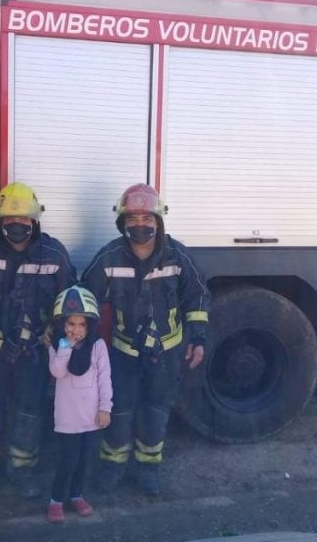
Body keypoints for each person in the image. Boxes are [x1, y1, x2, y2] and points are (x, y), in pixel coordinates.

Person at [82, 183, 209, 496]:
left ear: (159, 222)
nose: (140, 225)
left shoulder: (178, 256)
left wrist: (198, 338)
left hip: (166, 353)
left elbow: (197, 298)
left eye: (147, 219)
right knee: (119, 411)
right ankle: (113, 466)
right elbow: (86, 298)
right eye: (133, 219)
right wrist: (84, 342)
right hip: (123, 353)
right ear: (123, 223)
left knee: (155, 411)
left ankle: (147, 468)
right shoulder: (109, 256)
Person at [0, 182, 76, 499]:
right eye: (11, 219)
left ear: (35, 221)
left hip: (35, 350)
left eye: (25, 220)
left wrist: (63, 349)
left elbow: (70, 304)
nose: (18, 225)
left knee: (30, 410)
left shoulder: (54, 254)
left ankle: (22, 469)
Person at [46, 285, 112, 524]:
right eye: (70, 324)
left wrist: (105, 408)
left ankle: (77, 495)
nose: (76, 330)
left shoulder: (98, 346)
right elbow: (57, 372)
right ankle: (55, 499)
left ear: (90, 325)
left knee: (85, 460)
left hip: (91, 417)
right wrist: (65, 347)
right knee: (69, 459)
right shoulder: (58, 346)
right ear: (62, 324)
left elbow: (104, 379)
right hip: (68, 419)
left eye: (82, 325)